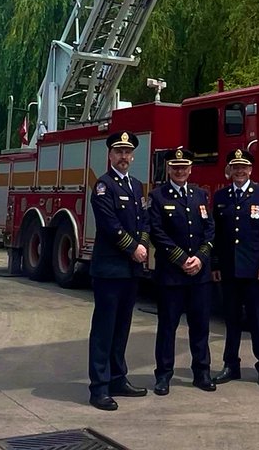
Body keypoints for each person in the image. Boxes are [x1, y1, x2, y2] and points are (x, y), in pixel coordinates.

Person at [87, 130, 149, 411]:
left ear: (132, 155)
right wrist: (133, 248)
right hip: (110, 269)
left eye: (127, 152)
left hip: (130, 270)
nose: (123, 157)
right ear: (110, 155)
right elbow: (110, 225)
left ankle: (117, 378)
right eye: (118, 152)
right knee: (104, 329)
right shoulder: (103, 186)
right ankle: (98, 388)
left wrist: (144, 245)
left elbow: (144, 221)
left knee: (122, 328)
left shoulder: (136, 186)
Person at [147, 145, 216, 395]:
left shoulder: (200, 196)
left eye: (184, 167)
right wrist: (180, 259)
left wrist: (199, 257)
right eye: (175, 167)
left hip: (199, 275)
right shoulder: (158, 196)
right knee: (168, 327)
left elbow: (209, 230)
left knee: (200, 326)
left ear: (190, 169)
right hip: (171, 276)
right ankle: (163, 375)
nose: (180, 171)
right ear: (169, 169)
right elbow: (157, 232)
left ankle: (202, 373)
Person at [211, 147, 259, 387]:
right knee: (231, 319)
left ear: (250, 169)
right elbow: (215, 234)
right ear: (229, 170)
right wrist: (215, 263)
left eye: (244, 167)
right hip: (229, 270)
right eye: (235, 167)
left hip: (255, 271)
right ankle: (231, 365)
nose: (240, 171)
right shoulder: (221, 197)